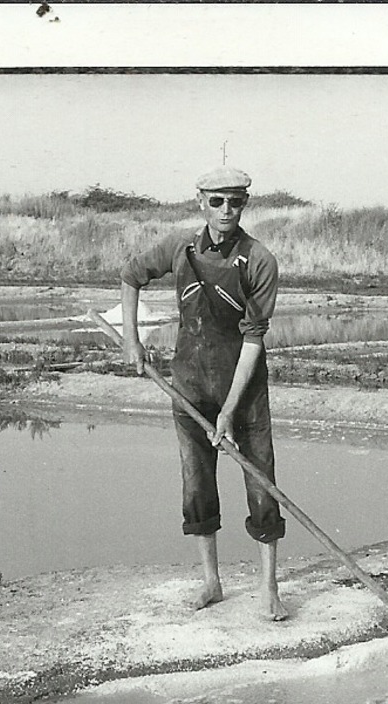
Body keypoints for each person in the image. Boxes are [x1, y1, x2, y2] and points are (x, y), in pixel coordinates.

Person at [121, 166, 287, 620]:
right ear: (200, 202)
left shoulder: (259, 260)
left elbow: (254, 339)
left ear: (245, 204)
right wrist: (131, 340)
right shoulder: (180, 248)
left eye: (235, 201)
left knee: (262, 485)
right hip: (190, 386)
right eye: (217, 201)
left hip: (244, 392)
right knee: (197, 484)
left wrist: (230, 411)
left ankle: (269, 588)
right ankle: (211, 582)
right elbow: (131, 276)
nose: (226, 210)